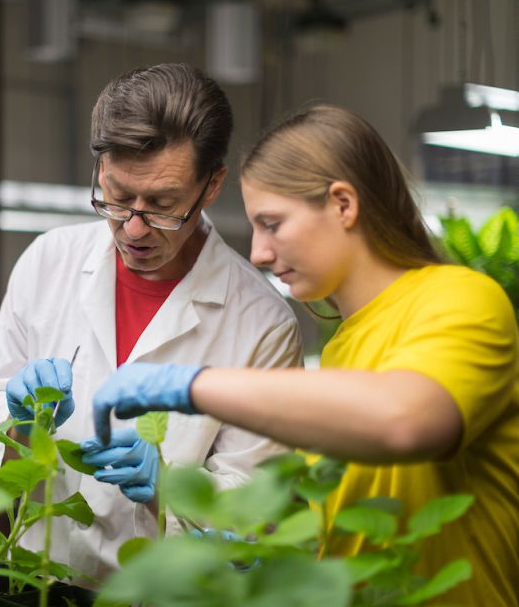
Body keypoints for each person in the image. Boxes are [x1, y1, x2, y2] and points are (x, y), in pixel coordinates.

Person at [91, 104, 519, 606]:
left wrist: (194, 386)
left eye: (272, 223)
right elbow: (348, 532)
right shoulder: (341, 348)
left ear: (342, 204)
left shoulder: (462, 298)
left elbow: (405, 421)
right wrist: (267, 556)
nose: (258, 253)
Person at [0, 63, 303, 582]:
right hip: (38, 585)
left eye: (162, 205)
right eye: (117, 198)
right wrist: (15, 421)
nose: (134, 229)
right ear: (100, 170)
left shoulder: (262, 324)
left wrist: (170, 483)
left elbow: (253, 514)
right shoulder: (49, 260)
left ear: (211, 186)